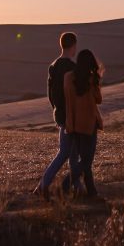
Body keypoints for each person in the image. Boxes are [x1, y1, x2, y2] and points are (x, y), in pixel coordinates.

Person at [34, 32, 79, 200]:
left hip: (60, 114)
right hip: (70, 116)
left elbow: (50, 94)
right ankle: (43, 185)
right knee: (66, 153)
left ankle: (77, 189)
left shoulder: (53, 66)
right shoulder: (72, 68)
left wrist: (57, 110)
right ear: (73, 45)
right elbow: (75, 95)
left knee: (73, 154)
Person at [64, 49, 103, 197]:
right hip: (89, 124)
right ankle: (65, 184)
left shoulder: (68, 78)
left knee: (85, 161)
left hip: (75, 124)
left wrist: (70, 122)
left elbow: (68, 100)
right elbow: (99, 100)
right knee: (87, 161)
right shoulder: (92, 79)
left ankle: (92, 192)